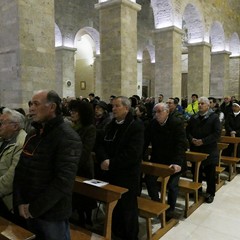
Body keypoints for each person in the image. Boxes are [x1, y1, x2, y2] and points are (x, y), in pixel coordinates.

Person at [13, 90, 82, 240]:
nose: (31, 108)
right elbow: (20, 170)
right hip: (26, 208)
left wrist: (34, 209)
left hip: (51, 214)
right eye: (30, 104)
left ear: (52, 107)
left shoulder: (68, 137)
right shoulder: (32, 134)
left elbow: (63, 181)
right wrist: (19, 202)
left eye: (36, 104)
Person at [95, 96, 144, 240]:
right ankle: (116, 232)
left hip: (127, 174)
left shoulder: (136, 126)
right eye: (113, 106)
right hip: (111, 173)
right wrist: (103, 159)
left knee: (128, 208)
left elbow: (133, 153)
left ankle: (130, 236)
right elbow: (100, 145)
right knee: (114, 207)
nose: (113, 108)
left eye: (117, 106)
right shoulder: (110, 124)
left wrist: (111, 163)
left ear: (126, 108)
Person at [144, 103, 187, 220]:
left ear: (167, 112)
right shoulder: (152, 124)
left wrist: (177, 162)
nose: (156, 115)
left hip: (174, 160)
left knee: (172, 185)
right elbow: (144, 142)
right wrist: (141, 158)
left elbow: (181, 144)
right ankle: (157, 203)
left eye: (159, 112)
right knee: (149, 179)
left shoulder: (176, 123)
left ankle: (171, 209)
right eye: (155, 112)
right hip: (158, 159)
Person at [186, 97, 221, 204]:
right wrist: (191, 139)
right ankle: (198, 189)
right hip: (195, 149)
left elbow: (217, 133)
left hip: (209, 150)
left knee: (210, 173)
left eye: (202, 103)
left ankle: (210, 193)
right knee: (196, 171)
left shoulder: (214, 117)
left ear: (208, 105)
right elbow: (187, 131)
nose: (200, 105)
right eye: (199, 103)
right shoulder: (194, 117)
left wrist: (203, 141)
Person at [68, 99, 97, 227]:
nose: (72, 113)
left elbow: (85, 151)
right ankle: (79, 219)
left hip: (83, 167)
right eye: (71, 111)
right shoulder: (72, 127)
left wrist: (73, 163)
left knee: (86, 196)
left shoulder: (89, 128)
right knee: (77, 196)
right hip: (73, 166)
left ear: (82, 113)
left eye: (75, 111)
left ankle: (88, 219)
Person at [0, 108, 27, 223]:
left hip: (9, 201)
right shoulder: (4, 139)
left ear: (15, 126)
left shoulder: (22, 143)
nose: (0, 125)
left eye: (2, 123)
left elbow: (11, 178)